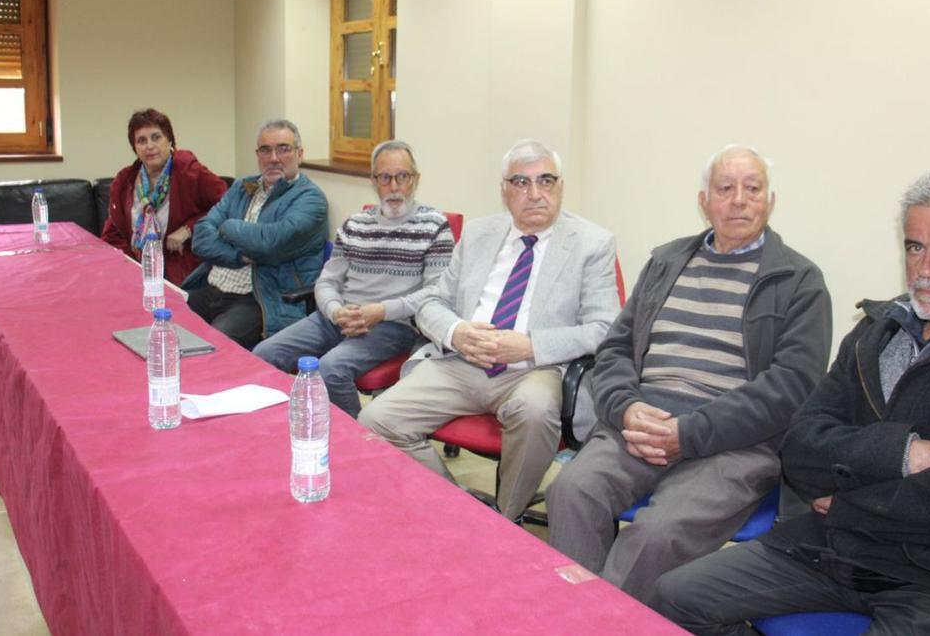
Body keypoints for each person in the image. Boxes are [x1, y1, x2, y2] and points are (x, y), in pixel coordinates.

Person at [653, 169, 930, 635]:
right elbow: (802, 449)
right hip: (832, 550)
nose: (927, 269)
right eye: (915, 247)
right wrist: (908, 455)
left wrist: (845, 503)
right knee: (673, 597)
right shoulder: (878, 331)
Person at [544, 144, 832, 604]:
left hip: (734, 443)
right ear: (704, 202)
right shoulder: (665, 262)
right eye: (725, 188)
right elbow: (616, 347)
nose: (739, 199)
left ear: (770, 201)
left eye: (752, 188)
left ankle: (596, 622)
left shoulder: (800, 280)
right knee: (570, 492)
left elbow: (793, 386)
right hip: (640, 425)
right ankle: (575, 614)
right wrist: (627, 408)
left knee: (657, 534)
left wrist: (690, 432)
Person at [358, 139, 620, 521]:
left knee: (535, 410)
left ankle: (506, 518)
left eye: (546, 181)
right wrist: (457, 333)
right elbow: (432, 302)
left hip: (536, 369)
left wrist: (530, 345)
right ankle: (461, 512)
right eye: (521, 182)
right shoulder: (479, 234)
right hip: (461, 362)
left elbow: (604, 328)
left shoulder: (592, 243)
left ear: (560, 186)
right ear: (504, 190)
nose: (535, 194)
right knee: (375, 421)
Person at [253, 140, 455, 417]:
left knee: (330, 369)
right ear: (373, 181)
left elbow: (437, 292)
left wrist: (382, 310)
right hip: (339, 316)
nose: (394, 186)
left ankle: (359, 444)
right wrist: (336, 311)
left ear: (415, 180)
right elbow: (327, 282)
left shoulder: (435, 226)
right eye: (385, 177)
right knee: (263, 355)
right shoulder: (354, 224)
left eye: (402, 177)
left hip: (392, 325)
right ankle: (281, 427)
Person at [183, 119, 328, 349]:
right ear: (257, 155)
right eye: (265, 150)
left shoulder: (311, 200)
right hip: (211, 288)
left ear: (300, 154)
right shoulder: (242, 186)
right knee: (163, 322)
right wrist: (239, 257)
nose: (273, 158)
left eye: (283, 149)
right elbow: (200, 238)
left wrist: (227, 226)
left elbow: (268, 244)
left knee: (211, 347)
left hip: (260, 299)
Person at [101, 108, 227, 285]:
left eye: (156, 137)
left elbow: (228, 206)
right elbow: (112, 233)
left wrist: (189, 228)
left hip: (180, 273)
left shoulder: (188, 171)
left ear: (170, 141)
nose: (149, 146)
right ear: (135, 147)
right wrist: (131, 269)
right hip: (133, 271)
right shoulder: (124, 180)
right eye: (141, 140)